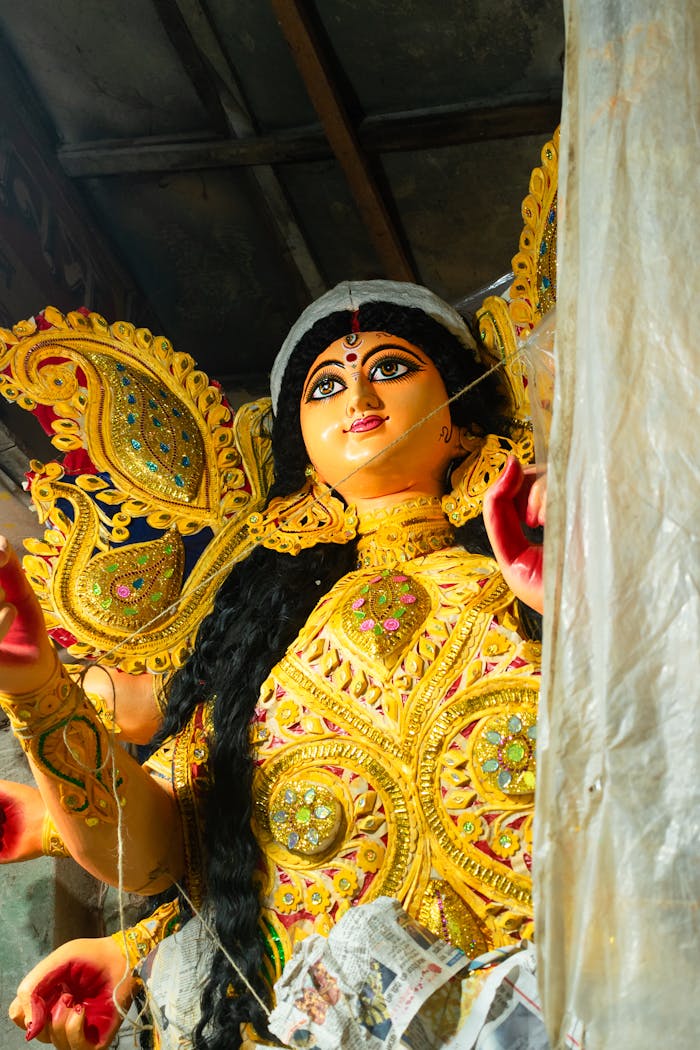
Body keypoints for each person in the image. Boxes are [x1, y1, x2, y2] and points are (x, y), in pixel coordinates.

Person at [0, 280, 544, 1050]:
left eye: (389, 368)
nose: (357, 391)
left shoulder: (528, 577)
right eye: (327, 385)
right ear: (306, 459)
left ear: (458, 420)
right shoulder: (260, 650)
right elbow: (152, 852)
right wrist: (36, 693)